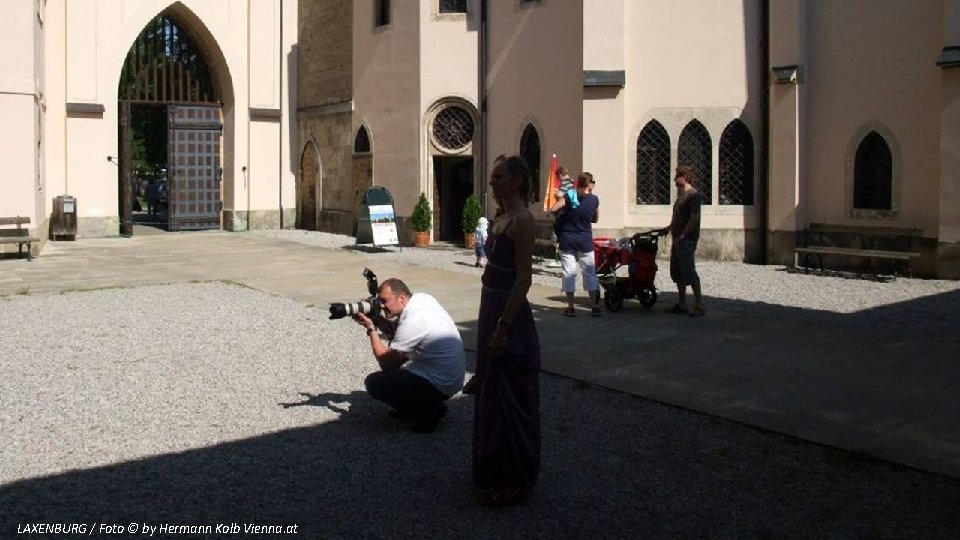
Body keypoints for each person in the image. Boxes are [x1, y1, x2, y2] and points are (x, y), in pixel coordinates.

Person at [473, 154, 541, 507]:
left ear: (516, 180)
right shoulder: (501, 218)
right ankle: (492, 468)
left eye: (498, 176)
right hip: (490, 306)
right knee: (490, 395)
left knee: (510, 397)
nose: (492, 182)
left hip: (507, 315)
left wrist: (503, 327)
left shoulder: (523, 220)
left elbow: (524, 279)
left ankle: (514, 477)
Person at [353, 278, 466, 433]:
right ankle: (414, 408)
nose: (381, 305)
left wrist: (371, 329)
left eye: (384, 301)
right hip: (448, 377)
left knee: (375, 383)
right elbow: (398, 333)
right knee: (398, 375)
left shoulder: (414, 321)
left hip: (441, 383)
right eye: (379, 301)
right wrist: (377, 320)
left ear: (401, 298)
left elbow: (386, 363)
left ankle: (432, 412)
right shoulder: (422, 299)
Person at [550, 172, 601, 317]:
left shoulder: (569, 196)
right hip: (585, 239)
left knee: (569, 272)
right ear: (590, 184)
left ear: (577, 183)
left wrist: (553, 212)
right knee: (589, 273)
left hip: (567, 238)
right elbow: (595, 218)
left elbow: (554, 208)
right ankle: (594, 306)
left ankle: (571, 307)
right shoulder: (594, 200)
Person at [660, 165, 705, 317]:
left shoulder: (693, 195)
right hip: (677, 238)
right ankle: (682, 303)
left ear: (684, 176)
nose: (674, 179)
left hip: (686, 239)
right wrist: (669, 227)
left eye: (677, 176)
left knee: (689, 271)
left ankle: (699, 305)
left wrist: (684, 235)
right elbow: (677, 217)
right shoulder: (681, 195)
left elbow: (694, 217)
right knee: (677, 270)